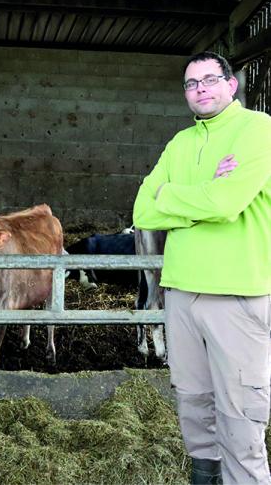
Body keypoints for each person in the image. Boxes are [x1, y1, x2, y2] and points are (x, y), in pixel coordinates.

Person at [133, 51, 271, 484]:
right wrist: (203, 192)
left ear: (231, 85)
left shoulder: (258, 131)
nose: (200, 90)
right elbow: (141, 211)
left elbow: (227, 203)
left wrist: (173, 196)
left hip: (237, 293)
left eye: (210, 80)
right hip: (180, 292)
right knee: (193, 400)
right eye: (191, 84)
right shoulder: (180, 143)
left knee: (239, 408)